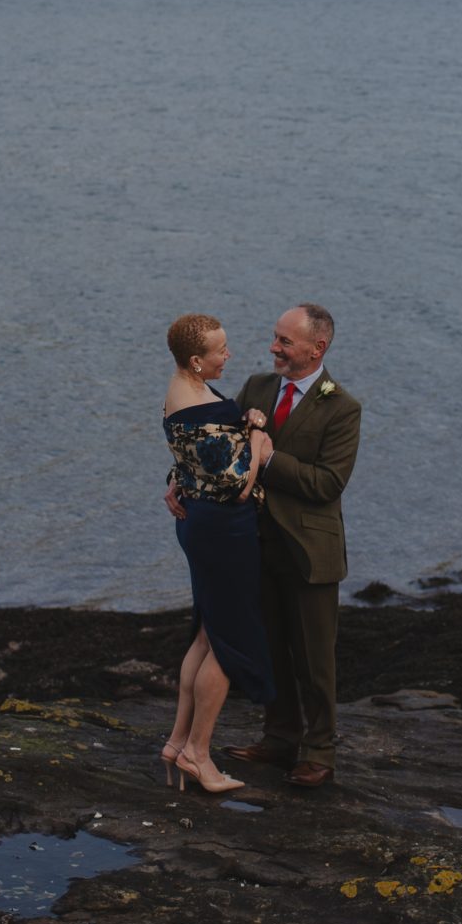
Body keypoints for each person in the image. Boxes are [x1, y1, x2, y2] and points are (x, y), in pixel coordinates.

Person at [228, 304, 360, 789]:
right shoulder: (257, 387)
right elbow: (223, 446)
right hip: (255, 542)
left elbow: (328, 483)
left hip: (309, 552)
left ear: (316, 348)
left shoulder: (342, 408)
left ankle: (319, 752)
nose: (273, 348)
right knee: (270, 650)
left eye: (284, 341)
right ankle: (279, 738)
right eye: (275, 337)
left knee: (314, 659)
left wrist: (268, 456)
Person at [159, 313, 277, 796]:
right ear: (195, 360)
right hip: (223, 529)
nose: (228, 355)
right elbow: (235, 486)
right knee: (230, 644)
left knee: (209, 634)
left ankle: (176, 742)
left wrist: (244, 418)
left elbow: (192, 460)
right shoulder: (191, 403)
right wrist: (258, 439)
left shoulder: (186, 390)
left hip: (203, 523)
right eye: (220, 350)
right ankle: (198, 754)